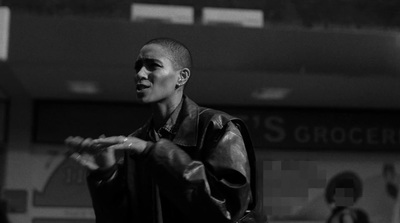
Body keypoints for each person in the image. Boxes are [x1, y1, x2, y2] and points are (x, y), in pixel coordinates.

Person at [65, 37, 257, 223]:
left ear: (181, 77)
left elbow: (229, 209)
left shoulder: (217, 126)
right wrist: (106, 176)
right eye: (138, 66)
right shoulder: (138, 140)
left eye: (153, 65)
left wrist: (153, 152)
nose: (140, 74)